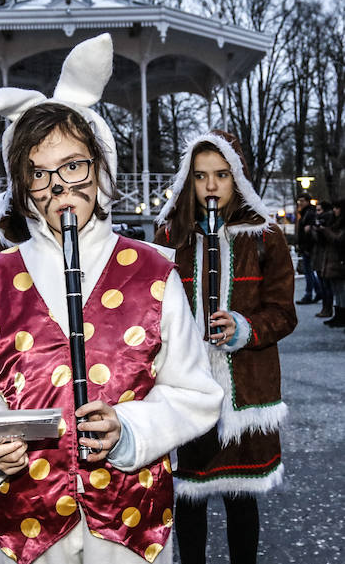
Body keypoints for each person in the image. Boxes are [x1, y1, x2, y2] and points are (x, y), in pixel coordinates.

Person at [0, 34, 223, 564]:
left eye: (73, 165)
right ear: (21, 185)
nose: (58, 186)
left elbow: (194, 392)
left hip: (130, 522)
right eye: (38, 172)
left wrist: (131, 430)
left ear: (100, 166)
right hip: (25, 525)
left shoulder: (153, 273)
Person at [154, 129, 297, 564]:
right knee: (189, 497)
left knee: (241, 497)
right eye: (200, 176)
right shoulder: (169, 237)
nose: (211, 186)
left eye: (221, 174)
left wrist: (245, 328)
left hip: (246, 389)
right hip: (188, 386)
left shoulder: (265, 236)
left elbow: (283, 313)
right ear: (189, 180)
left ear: (237, 177)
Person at [315, 198, 345, 327]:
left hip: (339, 260)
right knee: (337, 290)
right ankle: (338, 315)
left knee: (341, 290)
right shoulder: (334, 222)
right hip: (333, 259)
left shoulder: (341, 224)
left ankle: (341, 316)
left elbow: (338, 240)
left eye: (337, 208)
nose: (334, 210)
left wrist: (325, 230)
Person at [295, 193, 319, 303]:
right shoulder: (307, 213)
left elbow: (307, 232)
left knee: (308, 272)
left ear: (307, 201)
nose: (300, 203)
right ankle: (318, 292)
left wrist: (306, 247)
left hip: (308, 248)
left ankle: (309, 294)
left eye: (302, 201)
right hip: (307, 247)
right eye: (299, 201)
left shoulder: (309, 214)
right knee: (309, 272)